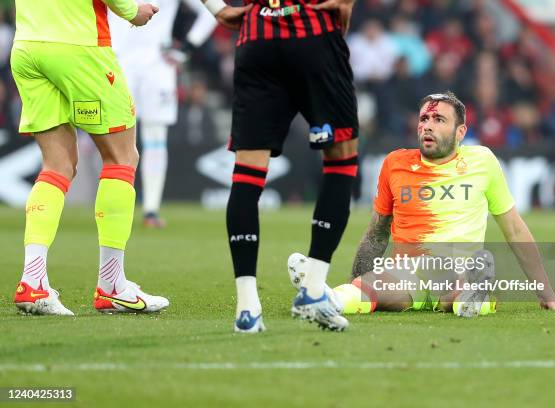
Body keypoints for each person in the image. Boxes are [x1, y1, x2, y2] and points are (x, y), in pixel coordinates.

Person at [289, 91, 555, 316]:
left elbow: (515, 230)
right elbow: (376, 232)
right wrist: (358, 284)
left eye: (439, 119)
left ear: (460, 132)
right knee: (368, 289)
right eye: (424, 118)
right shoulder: (395, 163)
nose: (428, 125)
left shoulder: (483, 162)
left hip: (458, 269)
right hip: (408, 273)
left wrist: (546, 293)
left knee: (460, 290)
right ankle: (322, 296)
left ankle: (472, 295)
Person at [204, 0, 359, 332]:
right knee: (341, 160)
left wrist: (216, 7)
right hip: (312, 34)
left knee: (247, 174)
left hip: (256, 40)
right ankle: (313, 290)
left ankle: (247, 309)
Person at [12, 0, 169, 315]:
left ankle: (33, 282)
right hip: (79, 47)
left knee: (57, 165)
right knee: (122, 158)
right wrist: (130, 10)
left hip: (28, 45)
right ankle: (112, 287)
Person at [109, 0, 218, 228]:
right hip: (116, 62)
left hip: (155, 65)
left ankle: (150, 209)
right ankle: (115, 207)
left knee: (154, 137)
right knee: (114, 138)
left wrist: (187, 47)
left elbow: (211, 12)